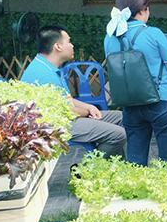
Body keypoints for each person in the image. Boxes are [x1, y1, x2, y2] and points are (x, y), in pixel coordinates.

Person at [103, 0, 167, 166]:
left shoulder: (109, 37)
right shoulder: (153, 33)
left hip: (130, 103)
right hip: (161, 100)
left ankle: (137, 192)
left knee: (135, 159)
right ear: (142, 10)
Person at [21, 25, 126, 158]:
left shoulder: (47, 67)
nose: (72, 46)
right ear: (57, 46)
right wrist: (88, 112)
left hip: (66, 117)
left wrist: (89, 106)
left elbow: (65, 99)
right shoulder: (45, 76)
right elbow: (67, 112)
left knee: (121, 118)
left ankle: (118, 167)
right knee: (118, 135)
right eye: (69, 41)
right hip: (57, 125)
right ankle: (88, 169)